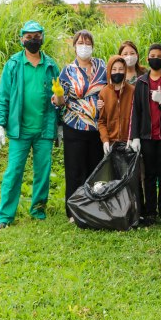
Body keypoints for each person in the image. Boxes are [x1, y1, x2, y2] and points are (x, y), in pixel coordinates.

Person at [0, 21, 62, 229]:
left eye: (37, 36)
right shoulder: (13, 64)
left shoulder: (50, 65)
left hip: (44, 129)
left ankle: (38, 209)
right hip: (19, 129)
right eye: (29, 36)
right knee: (13, 171)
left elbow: (59, 96)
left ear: (42, 37)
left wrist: (59, 124)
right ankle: (4, 216)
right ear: (22, 39)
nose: (33, 40)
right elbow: (3, 96)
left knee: (43, 171)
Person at [56, 30, 107, 220]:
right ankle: (74, 211)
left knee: (95, 169)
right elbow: (60, 101)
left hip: (97, 128)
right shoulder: (67, 71)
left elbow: (109, 89)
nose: (84, 46)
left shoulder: (102, 66)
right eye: (80, 42)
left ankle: (94, 209)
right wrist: (58, 95)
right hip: (75, 126)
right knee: (75, 170)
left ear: (92, 46)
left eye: (87, 42)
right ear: (74, 46)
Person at [128, 43, 161, 224]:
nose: (156, 58)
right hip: (147, 136)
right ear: (147, 58)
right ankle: (150, 210)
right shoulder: (141, 82)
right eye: (153, 55)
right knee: (149, 175)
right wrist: (134, 136)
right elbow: (136, 111)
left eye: (159, 56)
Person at [98, 56, 134, 154]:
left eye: (121, 69)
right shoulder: (104, 93)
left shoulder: (132, 91)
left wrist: (133, 137)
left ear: (125, 71)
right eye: (114, 69)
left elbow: (136, 117)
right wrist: (105, 140)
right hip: (111, 143)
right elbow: (102, 121)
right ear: (109, 71)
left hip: (129, 142)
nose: (117, 72)